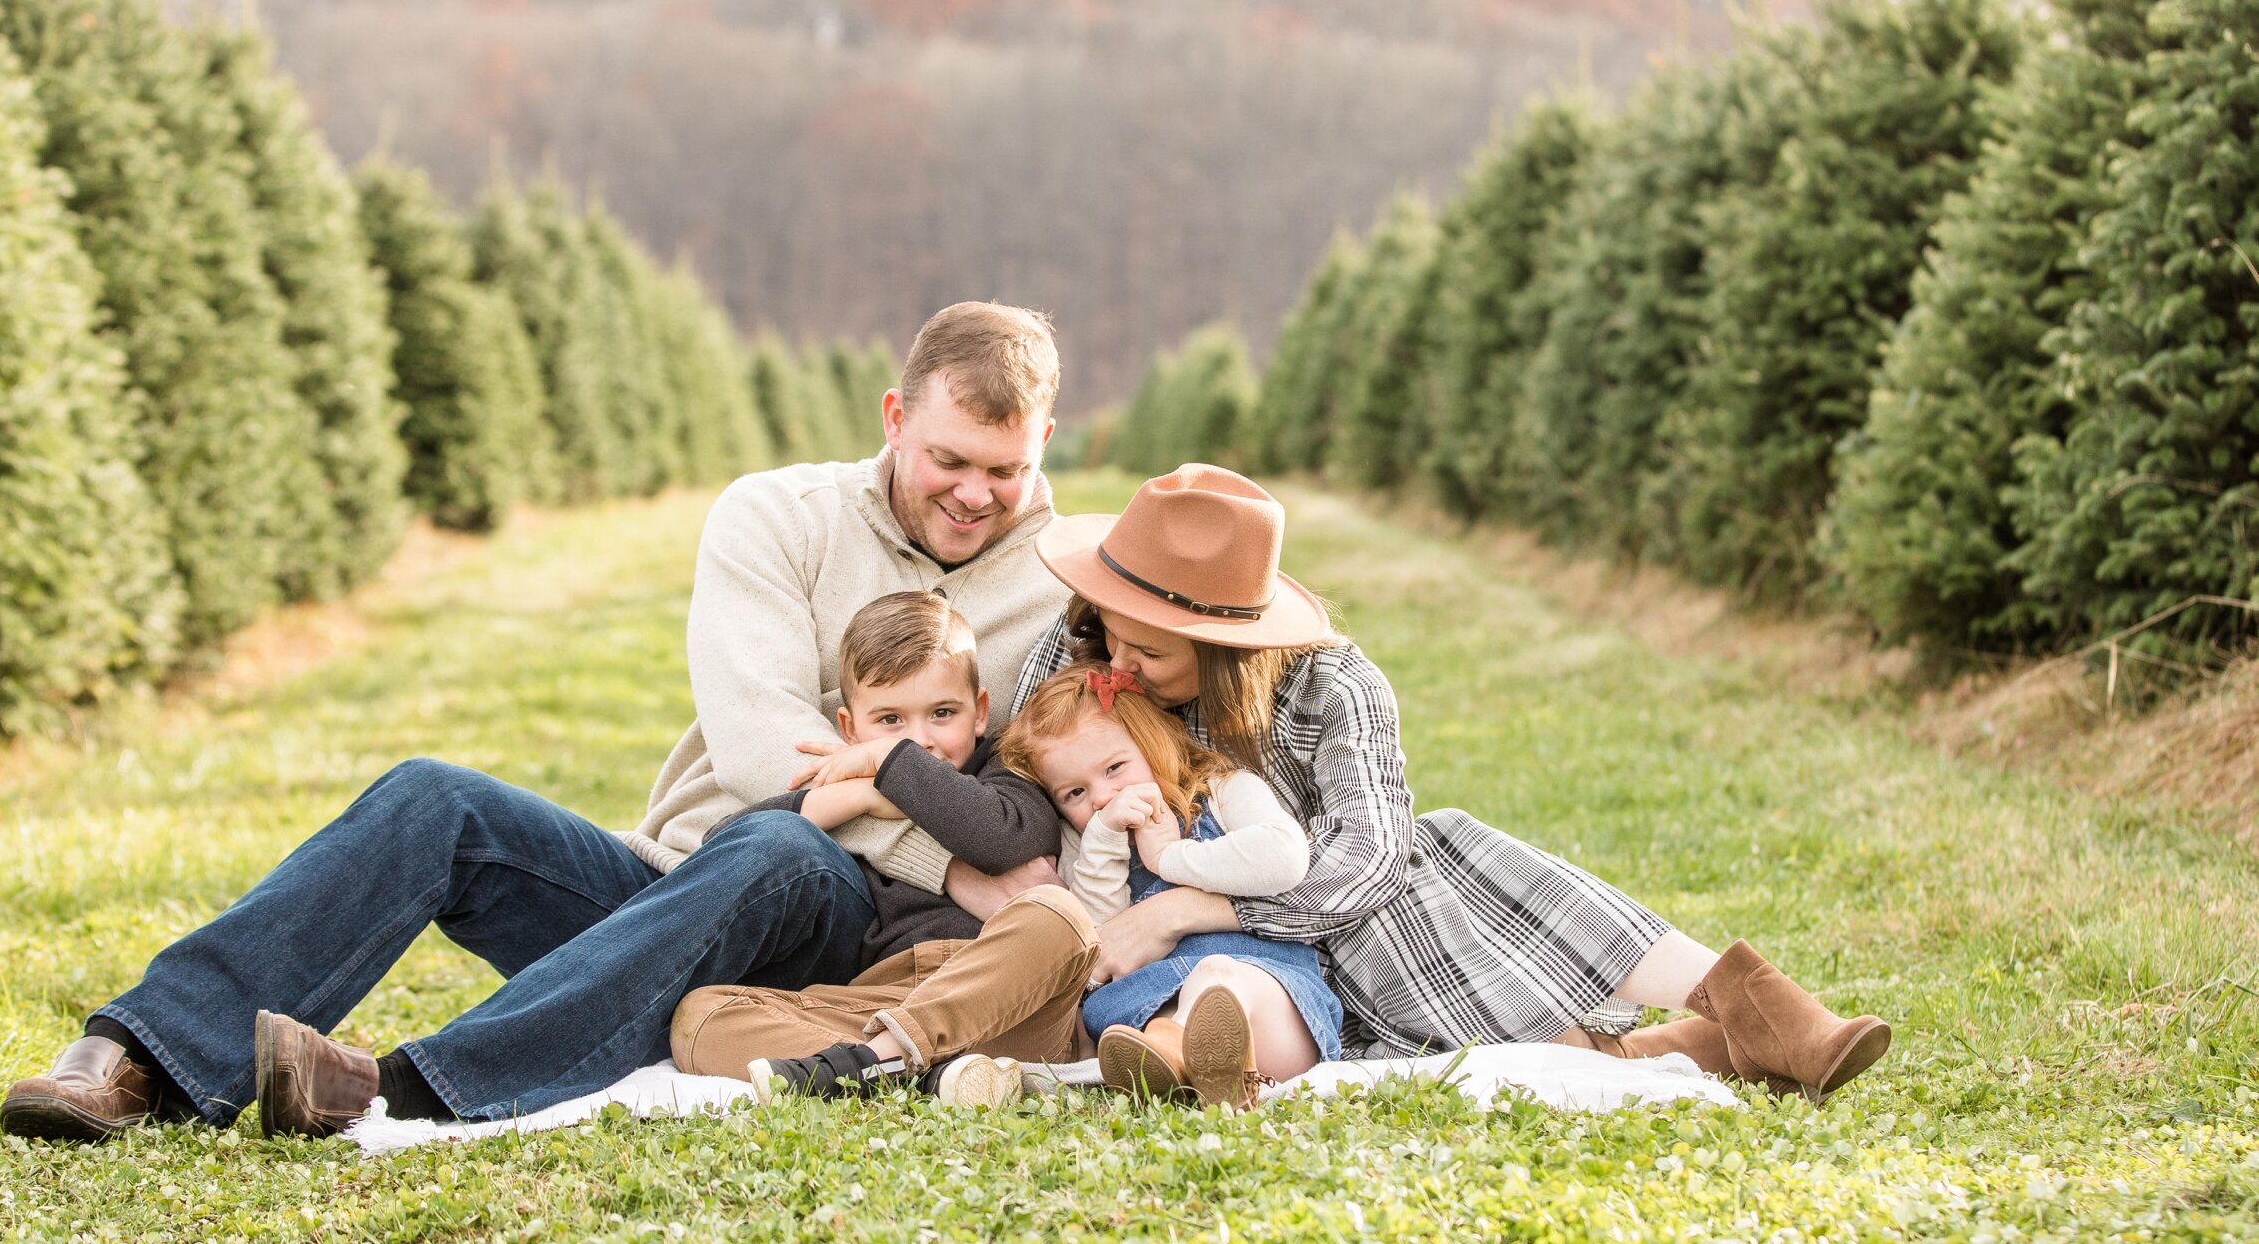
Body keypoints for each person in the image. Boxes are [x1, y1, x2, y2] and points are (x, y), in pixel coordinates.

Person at [0, 302, 1072, 1141]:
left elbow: (1055, 780)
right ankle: (139, 1053)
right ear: (894, 418)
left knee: (789, 845)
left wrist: (908, 855)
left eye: (1005, 470)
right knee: (436, 800)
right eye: (949, 460)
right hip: (673, 879)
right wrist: (950, 861)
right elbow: (760, 757)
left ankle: (396, 1085)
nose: (975, 494)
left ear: (1042, 450)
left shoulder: (1063, 585)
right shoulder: (776, 517)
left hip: (847, 939)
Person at [1005, 463, 1892, 1102]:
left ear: (1231, 646)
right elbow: (1023, 765)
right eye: (1111, 633)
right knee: (1417, 873)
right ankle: (1678, 1043)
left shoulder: (1335, 686)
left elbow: (1366, 866)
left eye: (1150, 650)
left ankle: (1746, 1001)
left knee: (1438, 846)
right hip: (1198, 936)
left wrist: (1191, 905)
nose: (1117, 661)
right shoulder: (1089, 649)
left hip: (1337, 919)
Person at [669, 591, 1095, 1107]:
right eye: (890, 720)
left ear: (980, 712)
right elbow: (729, 852)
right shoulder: (854, 791)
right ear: (849, 729)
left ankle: (877, 1066)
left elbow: (1006, 837)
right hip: (881, 1001)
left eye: (942, 713)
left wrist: (891, 764)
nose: (920, 741)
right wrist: (855, 796)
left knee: (1060, 916)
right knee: (701, 1016)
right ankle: (922, 1074)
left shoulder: (1002, 767)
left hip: (1006, 1000)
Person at [996, 663, 1336, 1109]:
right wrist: (1103, 840)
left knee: (1218, 976)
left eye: (1115, 767)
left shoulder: (1224, 791)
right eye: (1074, 793)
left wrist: (1170, 859)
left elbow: (1284, 860)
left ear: (1153, 742)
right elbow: (1101, 942)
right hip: (1149, 1003)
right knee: (1137, 1005)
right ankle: (1194, 1068)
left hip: (1273, 1003)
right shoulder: (1088, 842)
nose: (1101, 797)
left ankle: (1178, 1051)